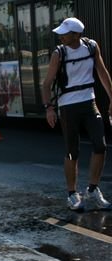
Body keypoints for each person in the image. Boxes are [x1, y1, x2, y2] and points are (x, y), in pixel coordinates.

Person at [42, 17, 112, 211]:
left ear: (76, 35)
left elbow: (103, 73)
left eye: (65, 34)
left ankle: (92, 189)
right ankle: (72, 194)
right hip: (68, 106)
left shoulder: (91, 47)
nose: (61, 37)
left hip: (89, 102)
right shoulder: (59, 53)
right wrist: (49, 108)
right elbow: (47, 83)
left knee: (100, 145)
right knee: (72, 151)